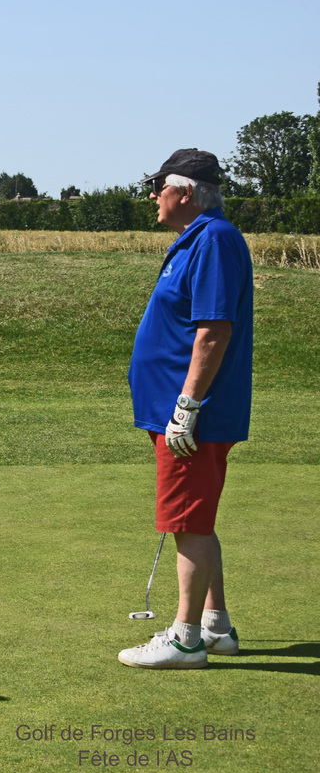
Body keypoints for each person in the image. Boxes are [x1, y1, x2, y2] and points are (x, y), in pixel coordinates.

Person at [118, 149, 253, 669]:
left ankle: (185, 640)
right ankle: (215, 626)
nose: (154, 196)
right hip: (183, 410)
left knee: (188, 522)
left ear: (186, 192)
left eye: (160, 187)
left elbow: (213, 330)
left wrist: (187, 405)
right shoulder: (199, 238)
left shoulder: (213, 239)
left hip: (194, 415)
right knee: (195, 517)